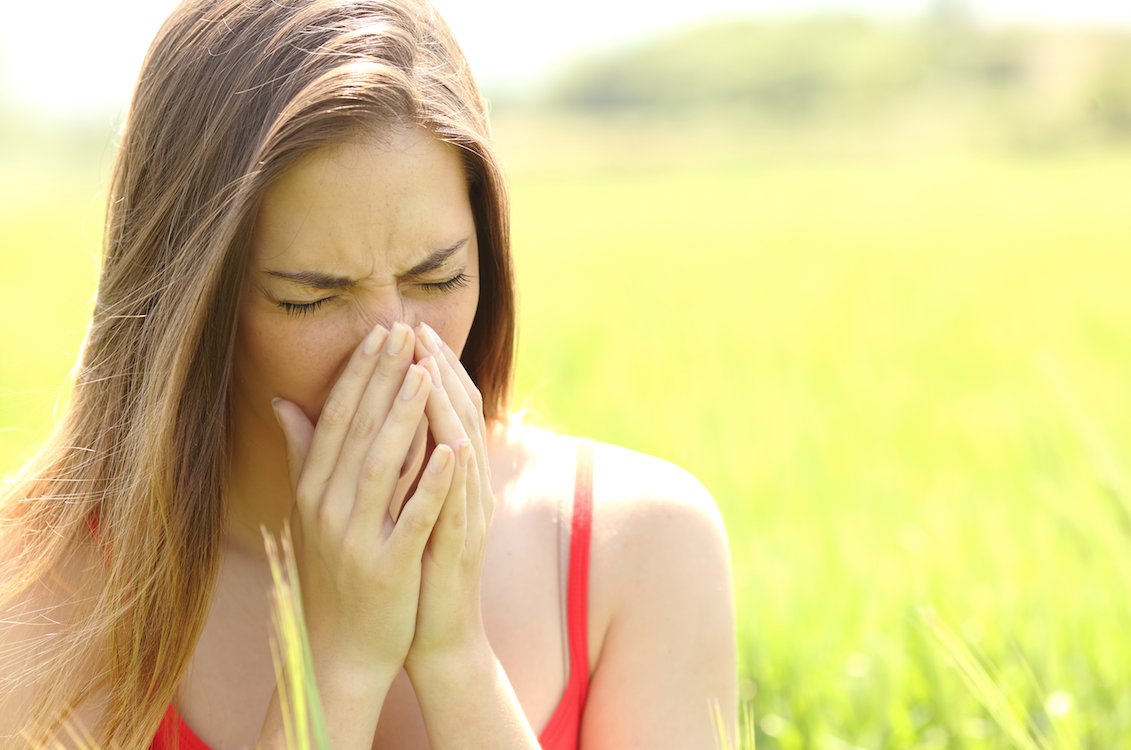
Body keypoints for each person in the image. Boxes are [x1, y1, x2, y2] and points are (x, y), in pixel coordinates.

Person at [0, 0, 736, 747]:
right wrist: (337, 665)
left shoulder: (640, 547)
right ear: (190, 310)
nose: (398, 347)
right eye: (310, 298)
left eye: (438, 278)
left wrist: (454, 658)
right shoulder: (28, 588)